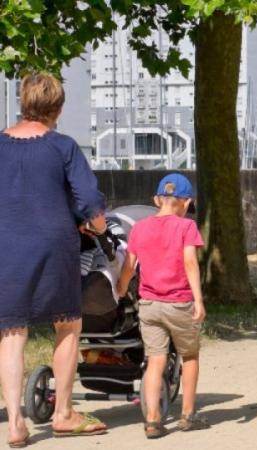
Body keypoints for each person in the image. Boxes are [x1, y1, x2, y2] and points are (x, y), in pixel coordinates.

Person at [0, 73, 108, 446]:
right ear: (57, 108)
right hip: (54, 245)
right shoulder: (63, 147)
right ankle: (63, 412)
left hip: (5, 246)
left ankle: (15, 422)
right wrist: (97, 224)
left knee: (12, 332)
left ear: (22, 101)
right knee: (68, 325)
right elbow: (90, 200)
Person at [117, 173, 209, 439]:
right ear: (187, 202)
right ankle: (188, 416)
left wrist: (122, 288)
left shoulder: (140, 228)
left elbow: (129, 265)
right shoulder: (186, 227)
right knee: (189, 356)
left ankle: (153, 420)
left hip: (149, 304)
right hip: (179, 303)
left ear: (156, 199)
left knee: (155, 360)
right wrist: (199, 300)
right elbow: (190, 262)